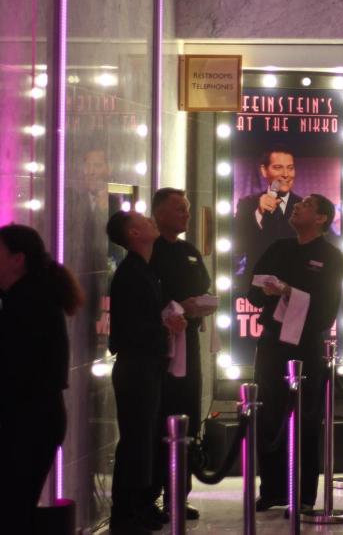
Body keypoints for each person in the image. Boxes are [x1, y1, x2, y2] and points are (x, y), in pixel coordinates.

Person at [248, 194, 343, 512]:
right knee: (268, 413)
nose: (297, 206)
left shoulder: (331, 257)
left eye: (307, 206)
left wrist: (290, 292)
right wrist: (267, 292)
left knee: (306, 417)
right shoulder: (279, 248)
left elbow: (327, 311)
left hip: (306, 345)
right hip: (272, 342)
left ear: (321, 218)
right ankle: (272, 489)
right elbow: (252, 291)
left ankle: (303, 495)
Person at [106, 210, 187, 534]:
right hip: (135, 367)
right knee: (135, 441)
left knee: (147, 439)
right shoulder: (130, 274)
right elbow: (131, 330)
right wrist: (166, 327)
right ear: (133, 234)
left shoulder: (145, 270)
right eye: (142, 220)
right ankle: (125, 514)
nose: (151, 220)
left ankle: (140, 506)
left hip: (148, 365)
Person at [0, 225, 84, 533]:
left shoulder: (31, 303)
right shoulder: (23, 296)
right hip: (35, 418)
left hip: (30, 421)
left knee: (12, 510)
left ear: (17, 259)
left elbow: (21, 370)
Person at [148, 188, 216, 521]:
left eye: (187, 209)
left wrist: (200, 305)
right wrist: (174, 308)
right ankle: (150, 494)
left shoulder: (189, 251)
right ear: (159, 213)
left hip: (189, 343)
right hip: (159, 347)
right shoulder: (150, 251)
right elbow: (148, 299)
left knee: (187, 415)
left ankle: (178, 494)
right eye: (179, 209)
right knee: (159, 419)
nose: (187, 215)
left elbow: (204, 286)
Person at [234, 146, 301, 291]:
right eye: (278, 167)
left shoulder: (304, 206)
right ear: (264, 171)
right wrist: (259, 213)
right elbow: (238, 246)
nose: (286, 174)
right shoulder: (247, 204)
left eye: (290, 168)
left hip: (295, 287)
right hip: (255, 287)